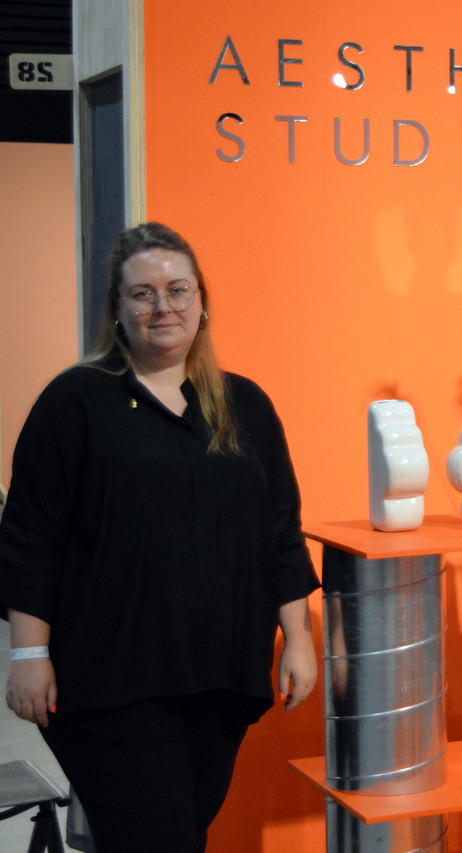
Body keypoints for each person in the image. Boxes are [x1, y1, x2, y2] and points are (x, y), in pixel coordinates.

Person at [0, 222, 319, 852]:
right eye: (142, 293)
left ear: (202, 301)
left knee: (177, 836)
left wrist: (299, 639)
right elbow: (32, 536)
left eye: (178, 290)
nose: (163, 307)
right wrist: (27, 656)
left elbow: (279, 529)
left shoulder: (244, 404)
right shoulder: (76, 401)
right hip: (109, 680)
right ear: (118, 310)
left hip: (220, 678)